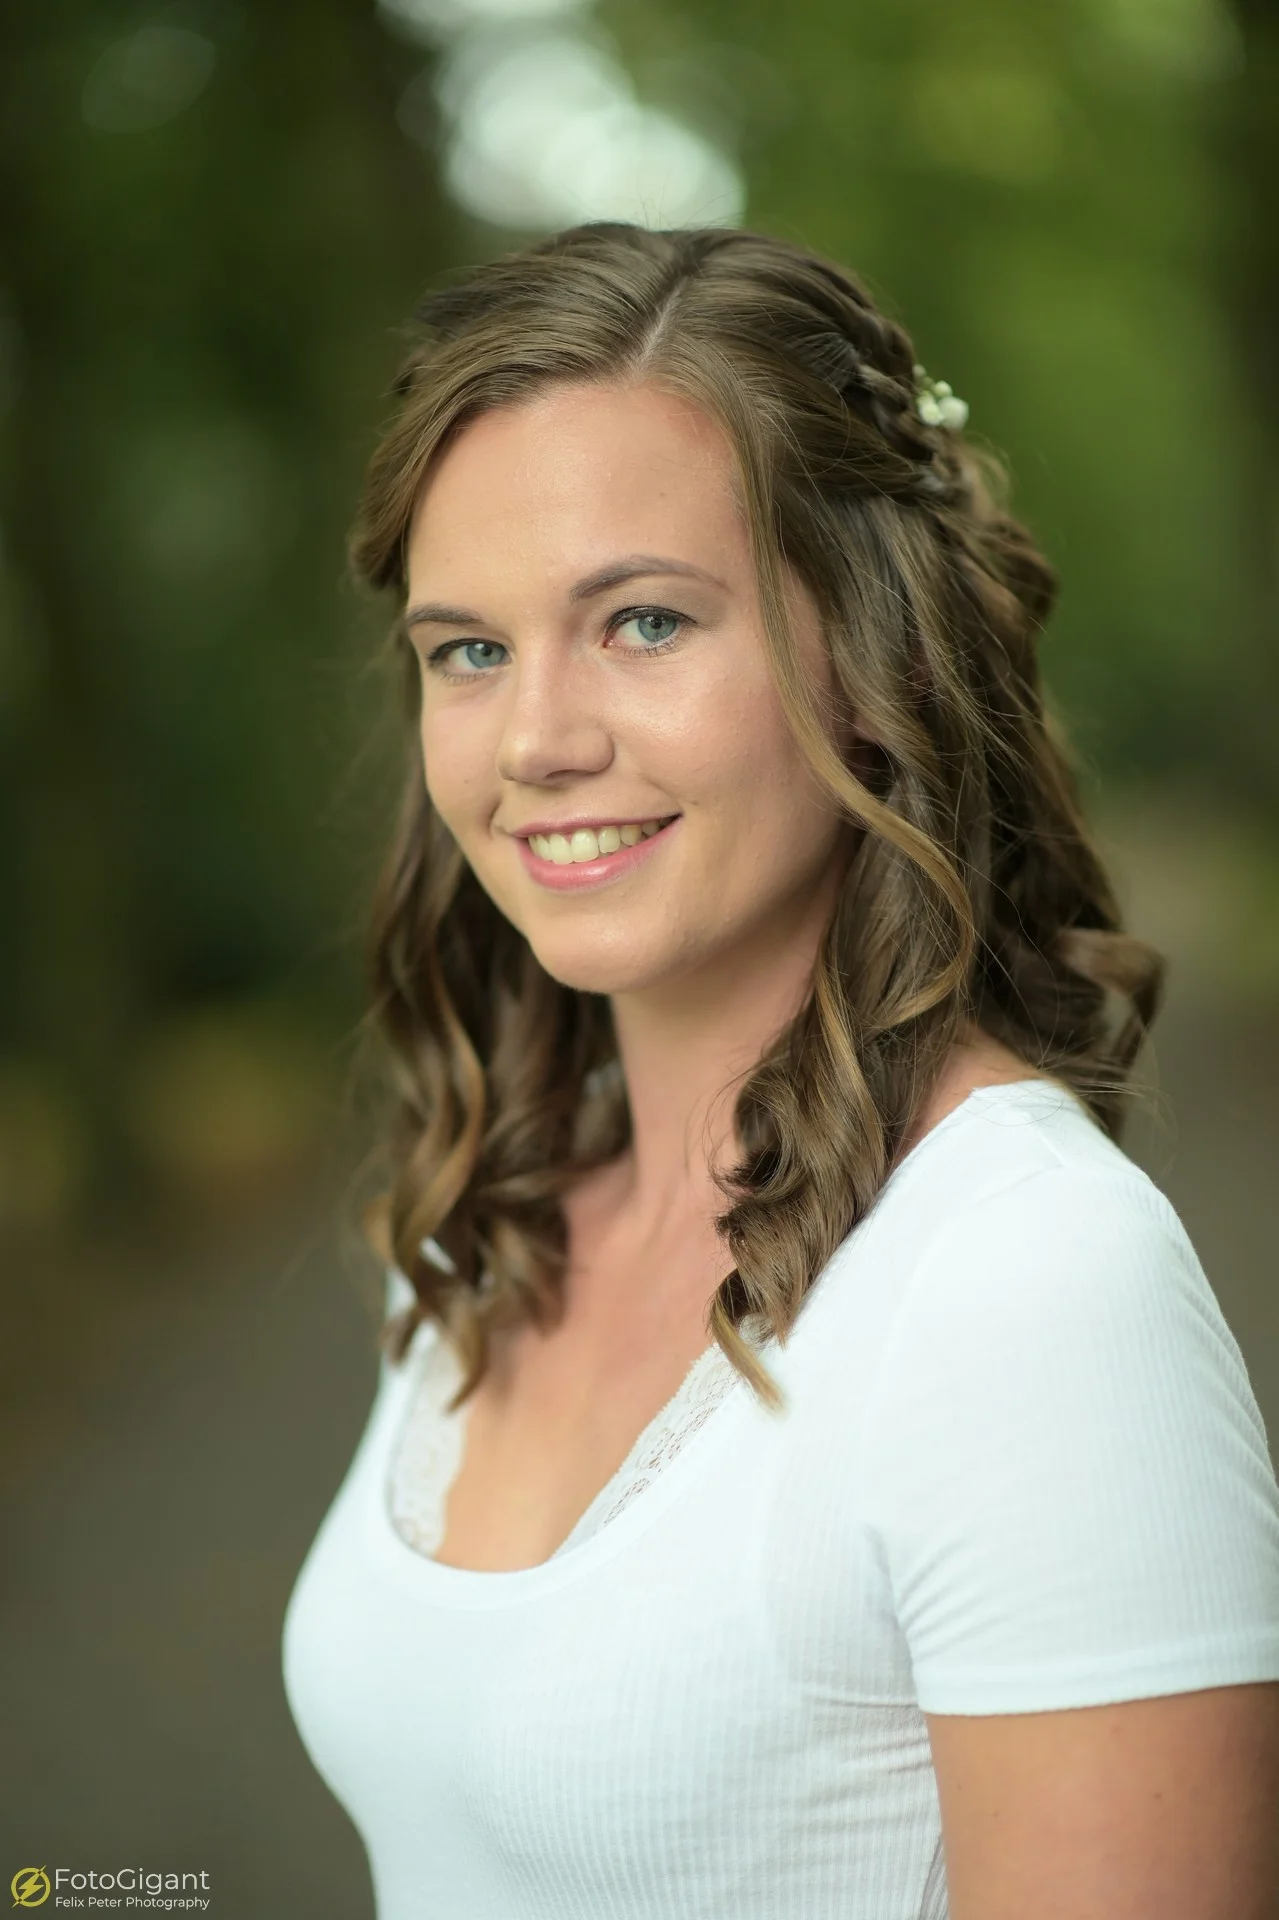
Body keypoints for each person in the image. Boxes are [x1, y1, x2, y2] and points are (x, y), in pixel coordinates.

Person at [282, 222, 1279, 1919]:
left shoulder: (1028, 1282)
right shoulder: (484, 1219)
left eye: (642, 621)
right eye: (469, 650)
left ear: (879, 660)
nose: (536, 741)